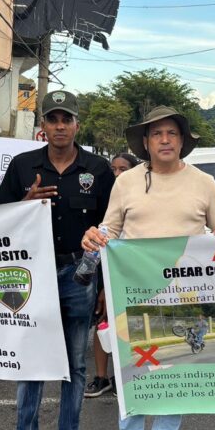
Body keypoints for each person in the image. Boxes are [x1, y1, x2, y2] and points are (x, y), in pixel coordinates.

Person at [81, 106, 215, 430]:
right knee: (134, 376)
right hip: (134, 293)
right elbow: (109, 228)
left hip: (185, 296)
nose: (165, 140)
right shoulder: (127, 182)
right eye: (157, 134)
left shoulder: (204, 183)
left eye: (172, 133)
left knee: (172, 379)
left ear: (182, 141)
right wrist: (93, 237)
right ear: (145, 143)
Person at [0, 90, 114, 430]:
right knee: (32, 363)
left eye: (67, 119)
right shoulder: (23, 166)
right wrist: (25, 201)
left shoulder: (98, 168)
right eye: (52, 119)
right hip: (32, 275)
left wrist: (103, 286)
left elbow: (111, 229)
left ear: (78, 125)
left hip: (79, 274)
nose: (60, 126)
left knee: (75, 366)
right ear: (42, 126)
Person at [86, 152, 142, 398]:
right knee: (104, 321)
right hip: (106, 267)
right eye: (113, 169)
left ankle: (126, 376)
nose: (117, 174)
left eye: (123, 169)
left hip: (134, 270)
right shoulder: (101, 196)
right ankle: (100, 377)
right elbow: (102, 234)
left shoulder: (140, 196)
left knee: (131, 324)